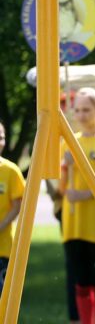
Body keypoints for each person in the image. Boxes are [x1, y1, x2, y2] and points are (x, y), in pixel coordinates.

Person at [61, 88, 95, 324]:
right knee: (80, 280)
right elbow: (64, 187)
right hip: (74, 223)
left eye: (87, 110)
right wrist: (66, 167)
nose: (81, 115)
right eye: (78, 110)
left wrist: (85, 194)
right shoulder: (70, 142)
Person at [0, 122, 24, 294]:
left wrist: (0, 226)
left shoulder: (11, 170)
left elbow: (18, 205)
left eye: (1, 137)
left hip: (4, 247)